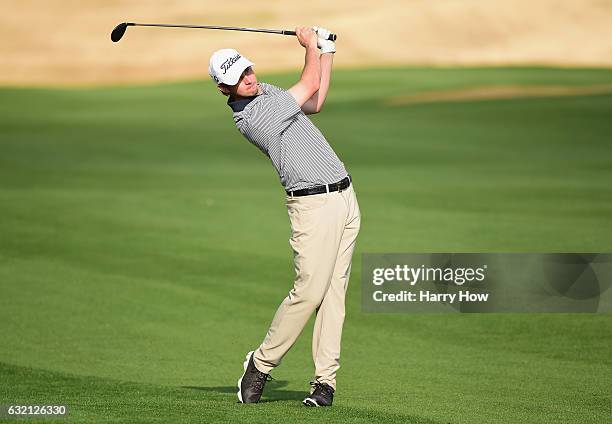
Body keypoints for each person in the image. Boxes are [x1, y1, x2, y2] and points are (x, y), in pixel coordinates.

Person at [208, 26, 361, 407]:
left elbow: (316, 100)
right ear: (223, 89)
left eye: (247, 71)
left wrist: (326, 50)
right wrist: (310, 44)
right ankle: (260, 365)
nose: (248, 79)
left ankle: (325, 382)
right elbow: (308, 81)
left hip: (344, 197)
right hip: (312, 206)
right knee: (309, 291)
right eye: (237, 79)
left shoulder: (269, 91)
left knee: (333, 295)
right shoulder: (253, 116)